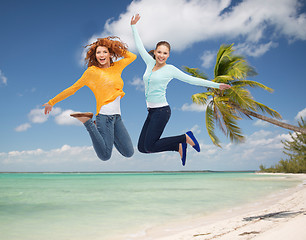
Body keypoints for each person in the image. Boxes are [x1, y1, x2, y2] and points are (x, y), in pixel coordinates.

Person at [130, 14, 231, 166]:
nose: (161, 56)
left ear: (168, 55)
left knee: (150, 145)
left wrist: (216, 85)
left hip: (162, 111)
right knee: (142, 148)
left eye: (165, 53)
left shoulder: (170, 70)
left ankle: (184, 138)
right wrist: (133, 26)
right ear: (155, 52)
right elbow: (139, 46)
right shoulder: (149, 63)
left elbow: (191, 79)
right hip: (151, 112)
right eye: (159, 52)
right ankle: (178, 146)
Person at [43, 36, 136, 161]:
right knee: (105, 156)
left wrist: (113, 47)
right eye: (98, 52)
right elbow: (73, 88)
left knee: (129, 152)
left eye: (105, 52)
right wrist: (51, 102)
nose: (101, 55)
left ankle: (100, 131)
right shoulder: (92, 72)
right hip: (104, 117)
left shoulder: (117, 67)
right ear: (95, 55)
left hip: (117, 118)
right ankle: (87, 122)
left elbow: (132, 57)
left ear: (109, 54)